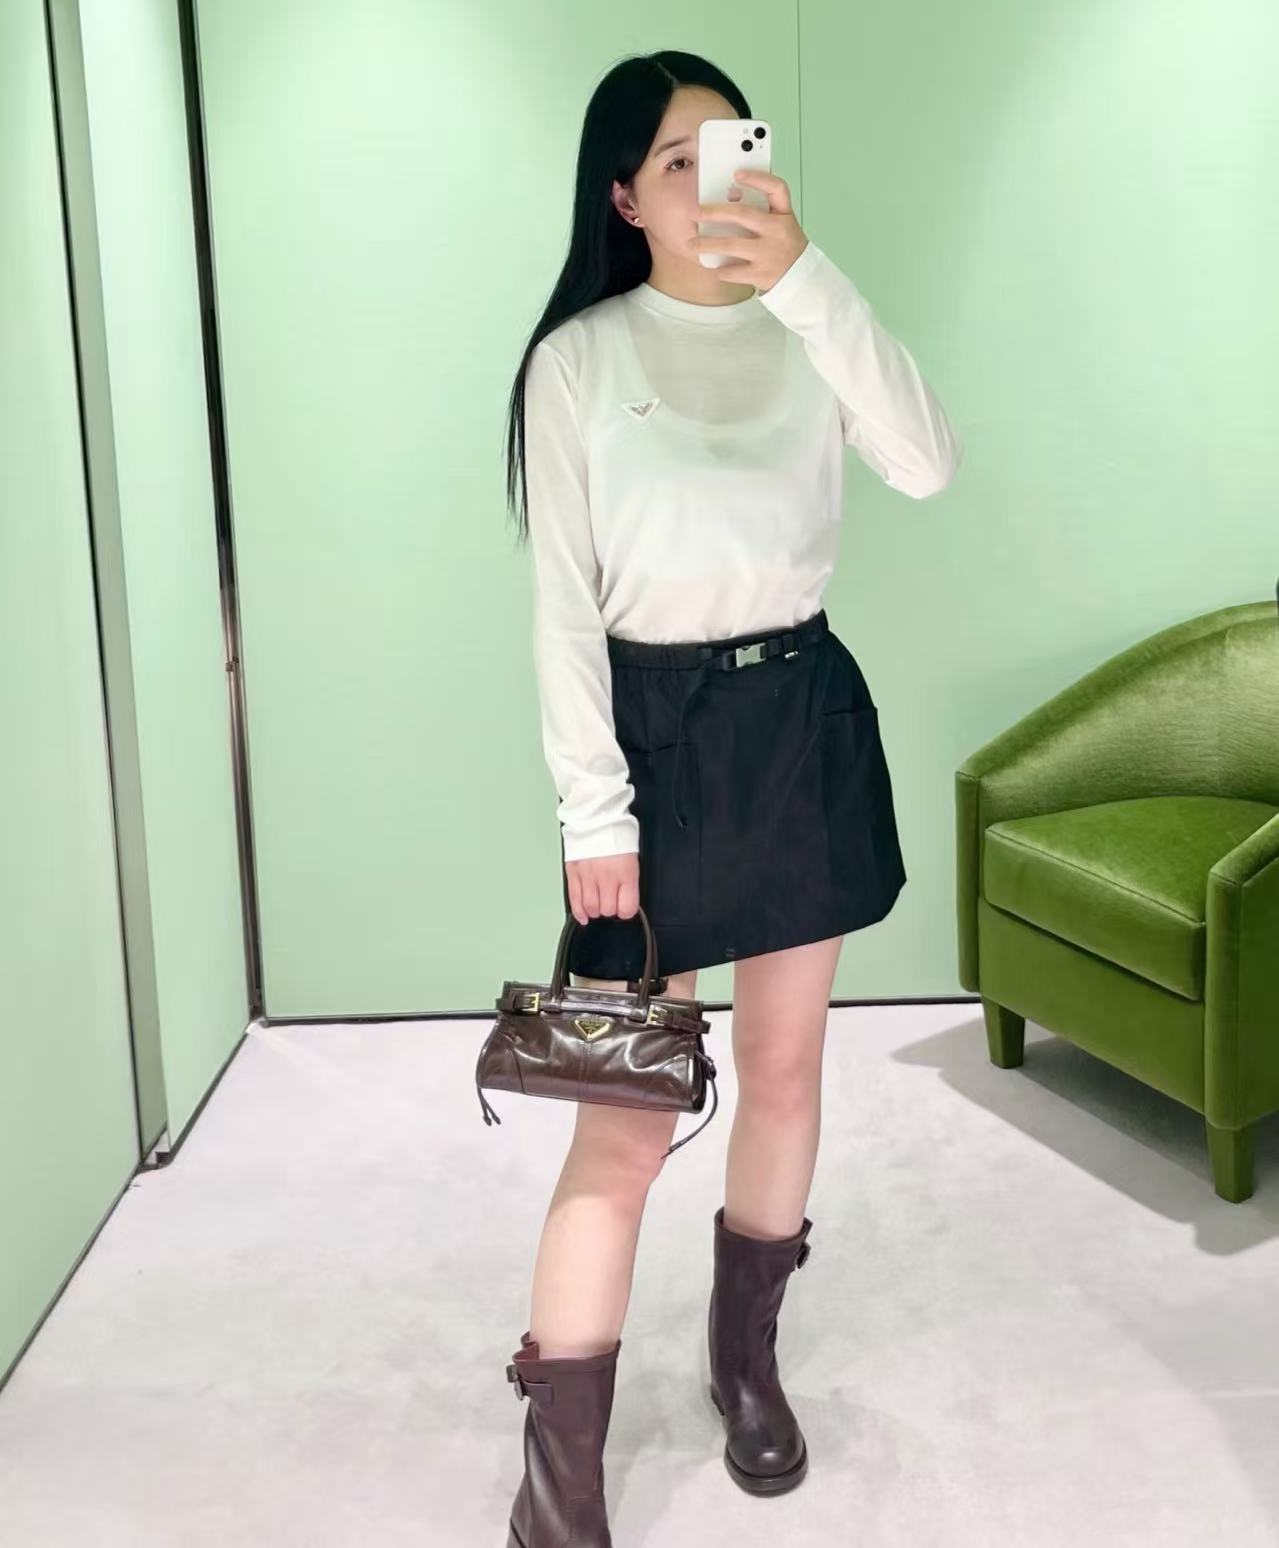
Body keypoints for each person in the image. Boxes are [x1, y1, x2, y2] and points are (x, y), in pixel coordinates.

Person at [500, 48, 961, 1547]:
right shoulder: (579, 362)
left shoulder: (807, 326)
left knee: (784, 1069)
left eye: (732, 149)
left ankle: (745, 1361)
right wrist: (593, 814)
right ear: (627, 197)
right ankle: (560, 1475)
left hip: (798, 718)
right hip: (652, 744)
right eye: (676, 160)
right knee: (627, 1117)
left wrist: (808, 279)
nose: (713, 181)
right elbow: (563, 610)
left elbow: (926, 464)